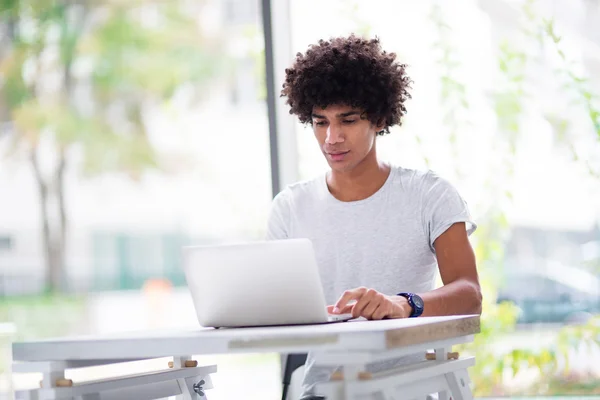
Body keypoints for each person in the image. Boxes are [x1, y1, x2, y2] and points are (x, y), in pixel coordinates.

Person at [266, 34, 482, 399]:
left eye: (347, 120)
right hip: (321, 389)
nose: (331, 138)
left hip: (410, 387)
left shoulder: (430, 195)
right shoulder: (290, 207)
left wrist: (402, 303)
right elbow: (275, 306)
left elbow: (470, 294)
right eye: (320, 122)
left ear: (379, 118)